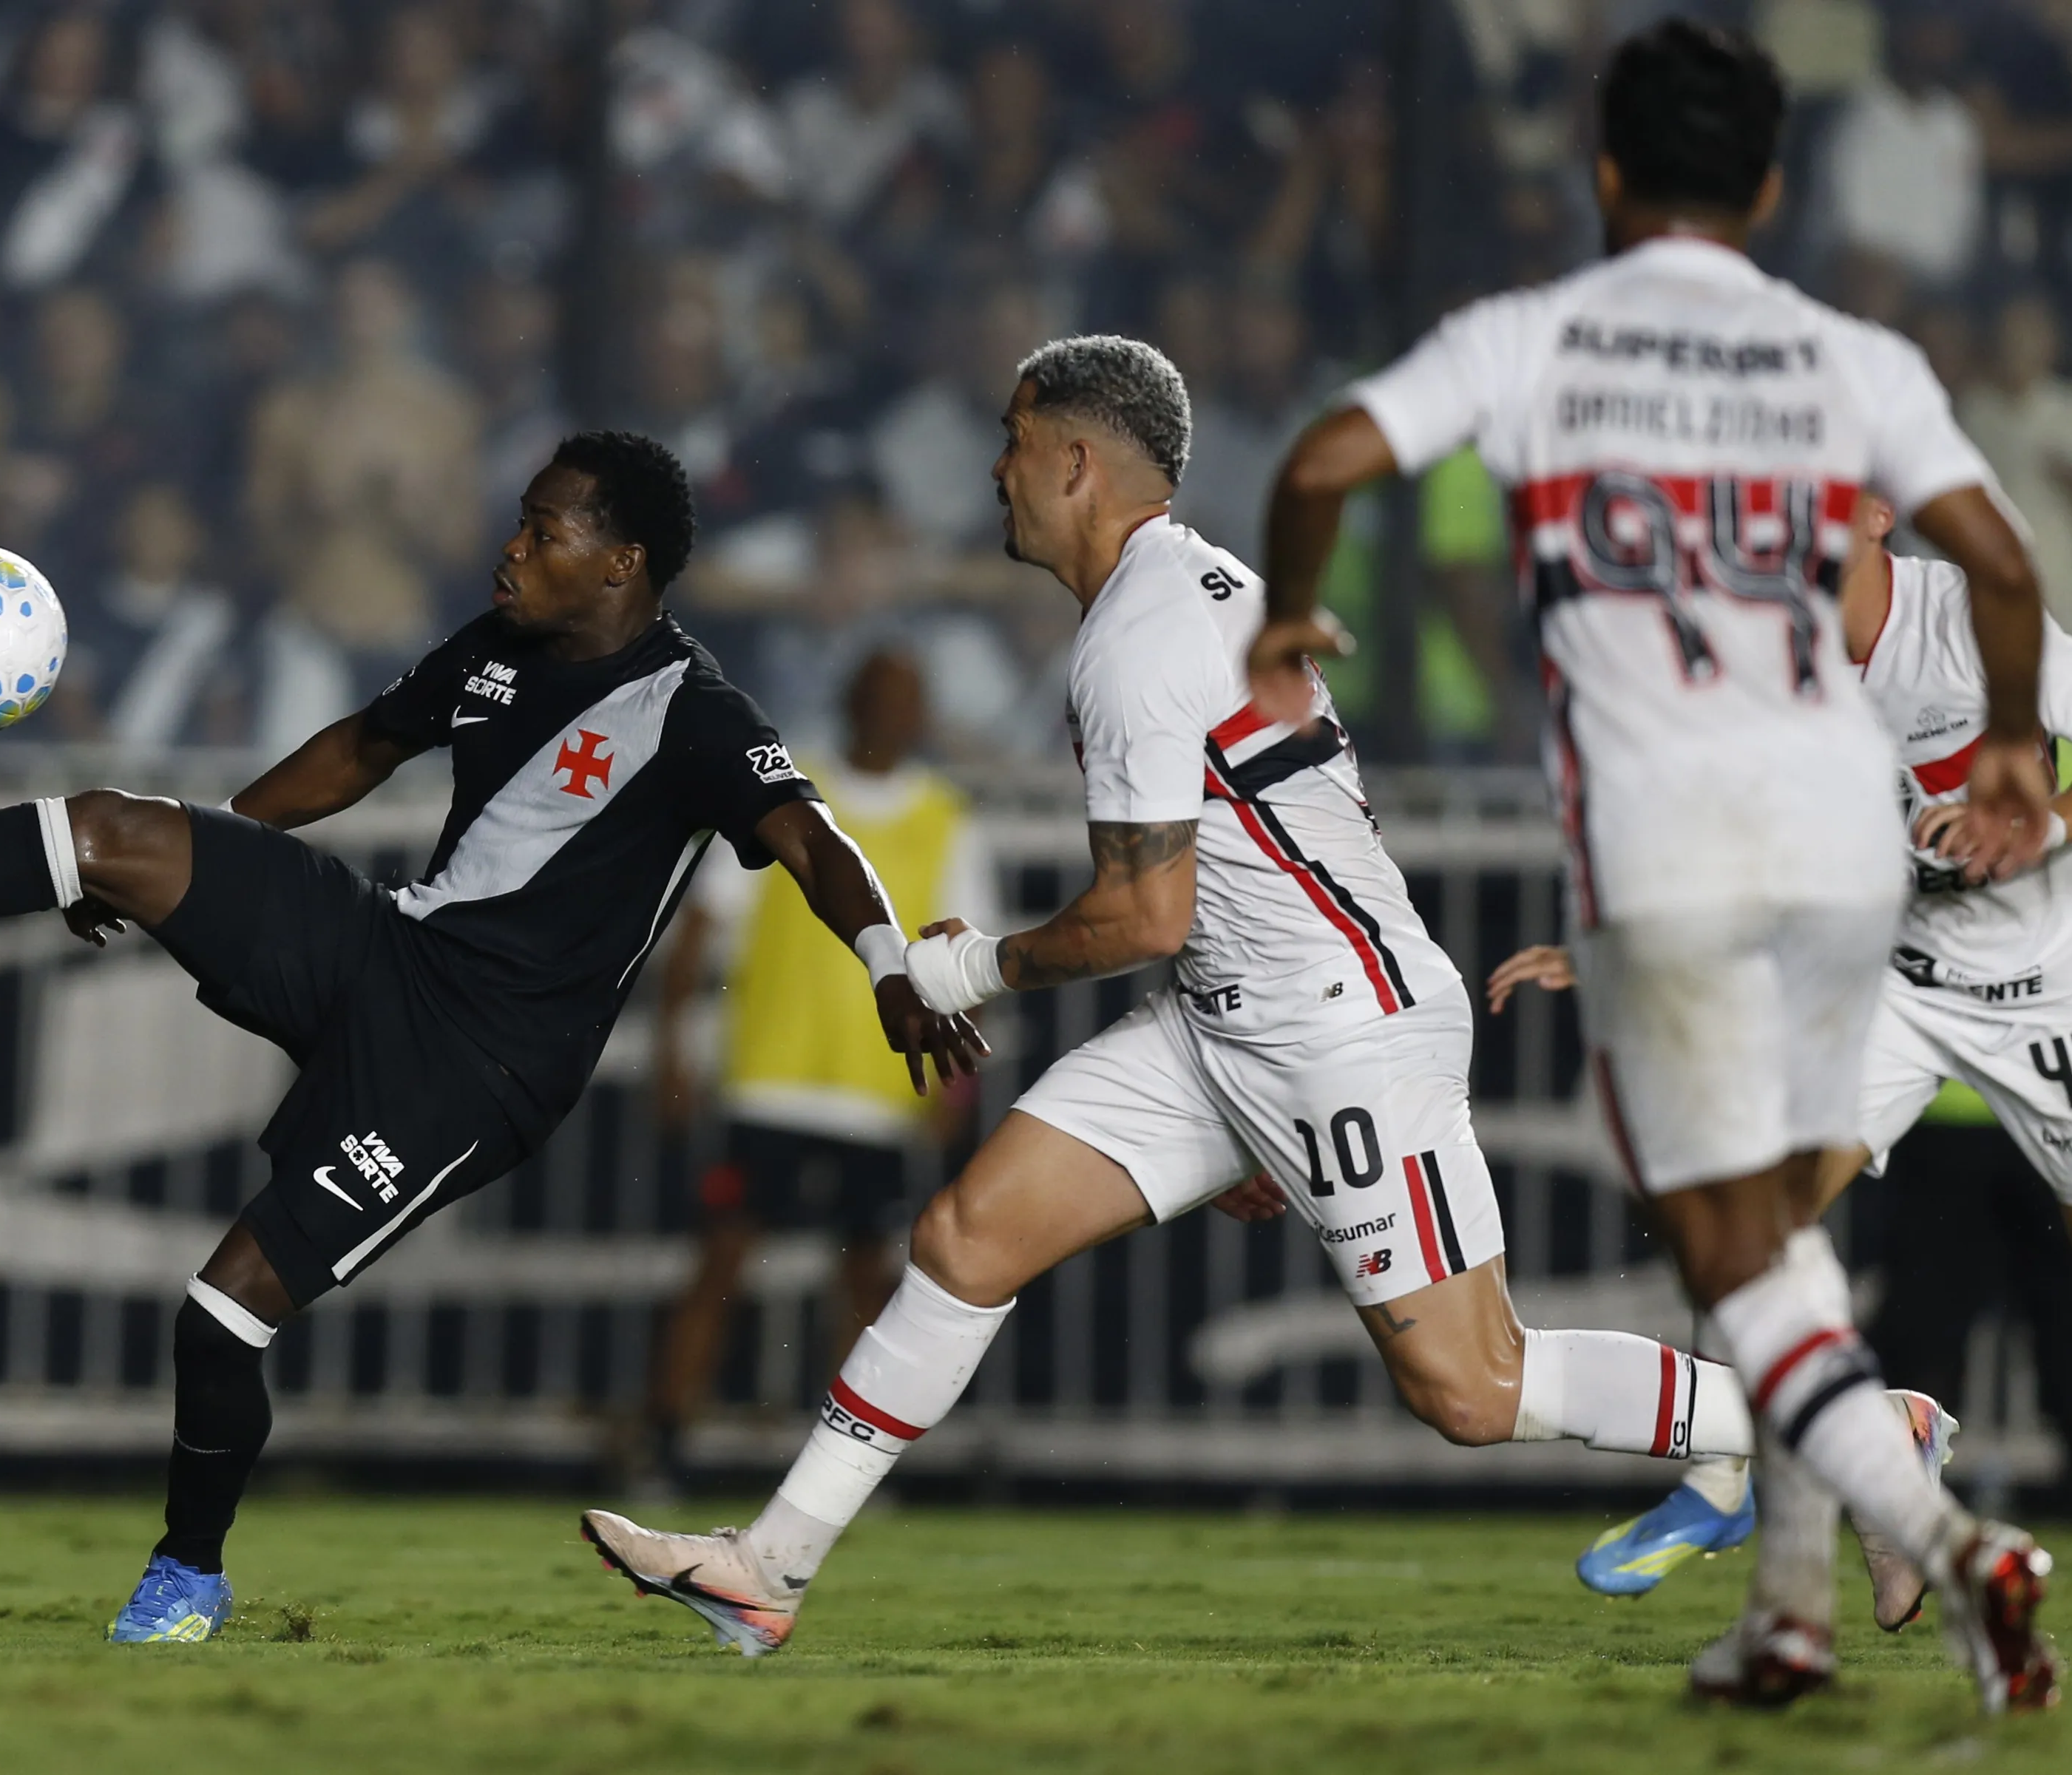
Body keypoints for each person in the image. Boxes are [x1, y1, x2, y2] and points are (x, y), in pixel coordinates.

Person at [578, 335, 1939, 1660]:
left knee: (1470, 1388)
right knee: (966, 1236)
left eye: (1009, 443)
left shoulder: (1139, 636)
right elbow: (1221, 880)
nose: (991, 471)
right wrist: (1239, 1118)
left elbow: (1145, 910)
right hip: (1231, 1021)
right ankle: (769, 1569)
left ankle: (1868, 1435)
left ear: (1072, 459)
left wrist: (969, 964)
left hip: (1341, 1028)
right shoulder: (1179, 593)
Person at [0, 430, 983, 1645]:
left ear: (623, 561)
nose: (512, 546)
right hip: (381, 947)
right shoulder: (498, 649)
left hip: (476, 1066)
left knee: (220, 1314)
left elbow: (808, 834)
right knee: (108, 830)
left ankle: (186, 1572)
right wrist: (196, 866)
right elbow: (362, 748)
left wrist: (888, 959)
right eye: (518, 518)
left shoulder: (696, 713)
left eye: (545, 530)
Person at [1251, 20, 2062, 1711]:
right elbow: (1993, 560)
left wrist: (1284, 620)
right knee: (1762, 1239)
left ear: (1602, 171)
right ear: (1768, 185)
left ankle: (1940, 1530)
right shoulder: (1847, 357)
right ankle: (1793, 1613)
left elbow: (1324, 456)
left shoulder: (1530, 336)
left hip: (1673, 841)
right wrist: (1997, 743)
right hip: (1841, 834)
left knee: (1730, 1246)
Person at [1492, 495, 2072, 1639]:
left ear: (1868, 513)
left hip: (2046, 995)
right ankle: (1723, 1482)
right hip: (1891, 989)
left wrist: (2040, 829)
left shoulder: (1969, 619)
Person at [639, 649, 993, 1499]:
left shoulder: (947, 818)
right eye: (878, 695)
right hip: (771, 1079)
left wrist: (954, 1085)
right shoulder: (789, 797)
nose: (890, 714)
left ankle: (850, 1464)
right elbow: (700, 930)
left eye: (905, 699)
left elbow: (968, 960)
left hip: (877, 1092)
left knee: (868, 1283)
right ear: (849, 702)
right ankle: (661, 1443)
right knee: (720, 1263)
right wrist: (674, 1045)